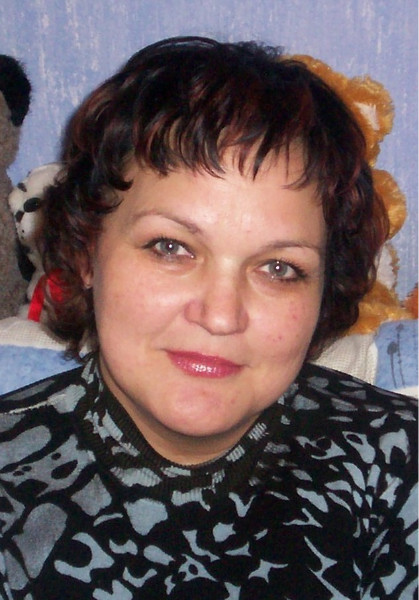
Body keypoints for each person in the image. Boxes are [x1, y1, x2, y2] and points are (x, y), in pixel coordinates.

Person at [0, 37, 416, 600]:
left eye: (278, 268)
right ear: (86, 253)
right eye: (171, 247)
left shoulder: (399, 467)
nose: (221, 316)